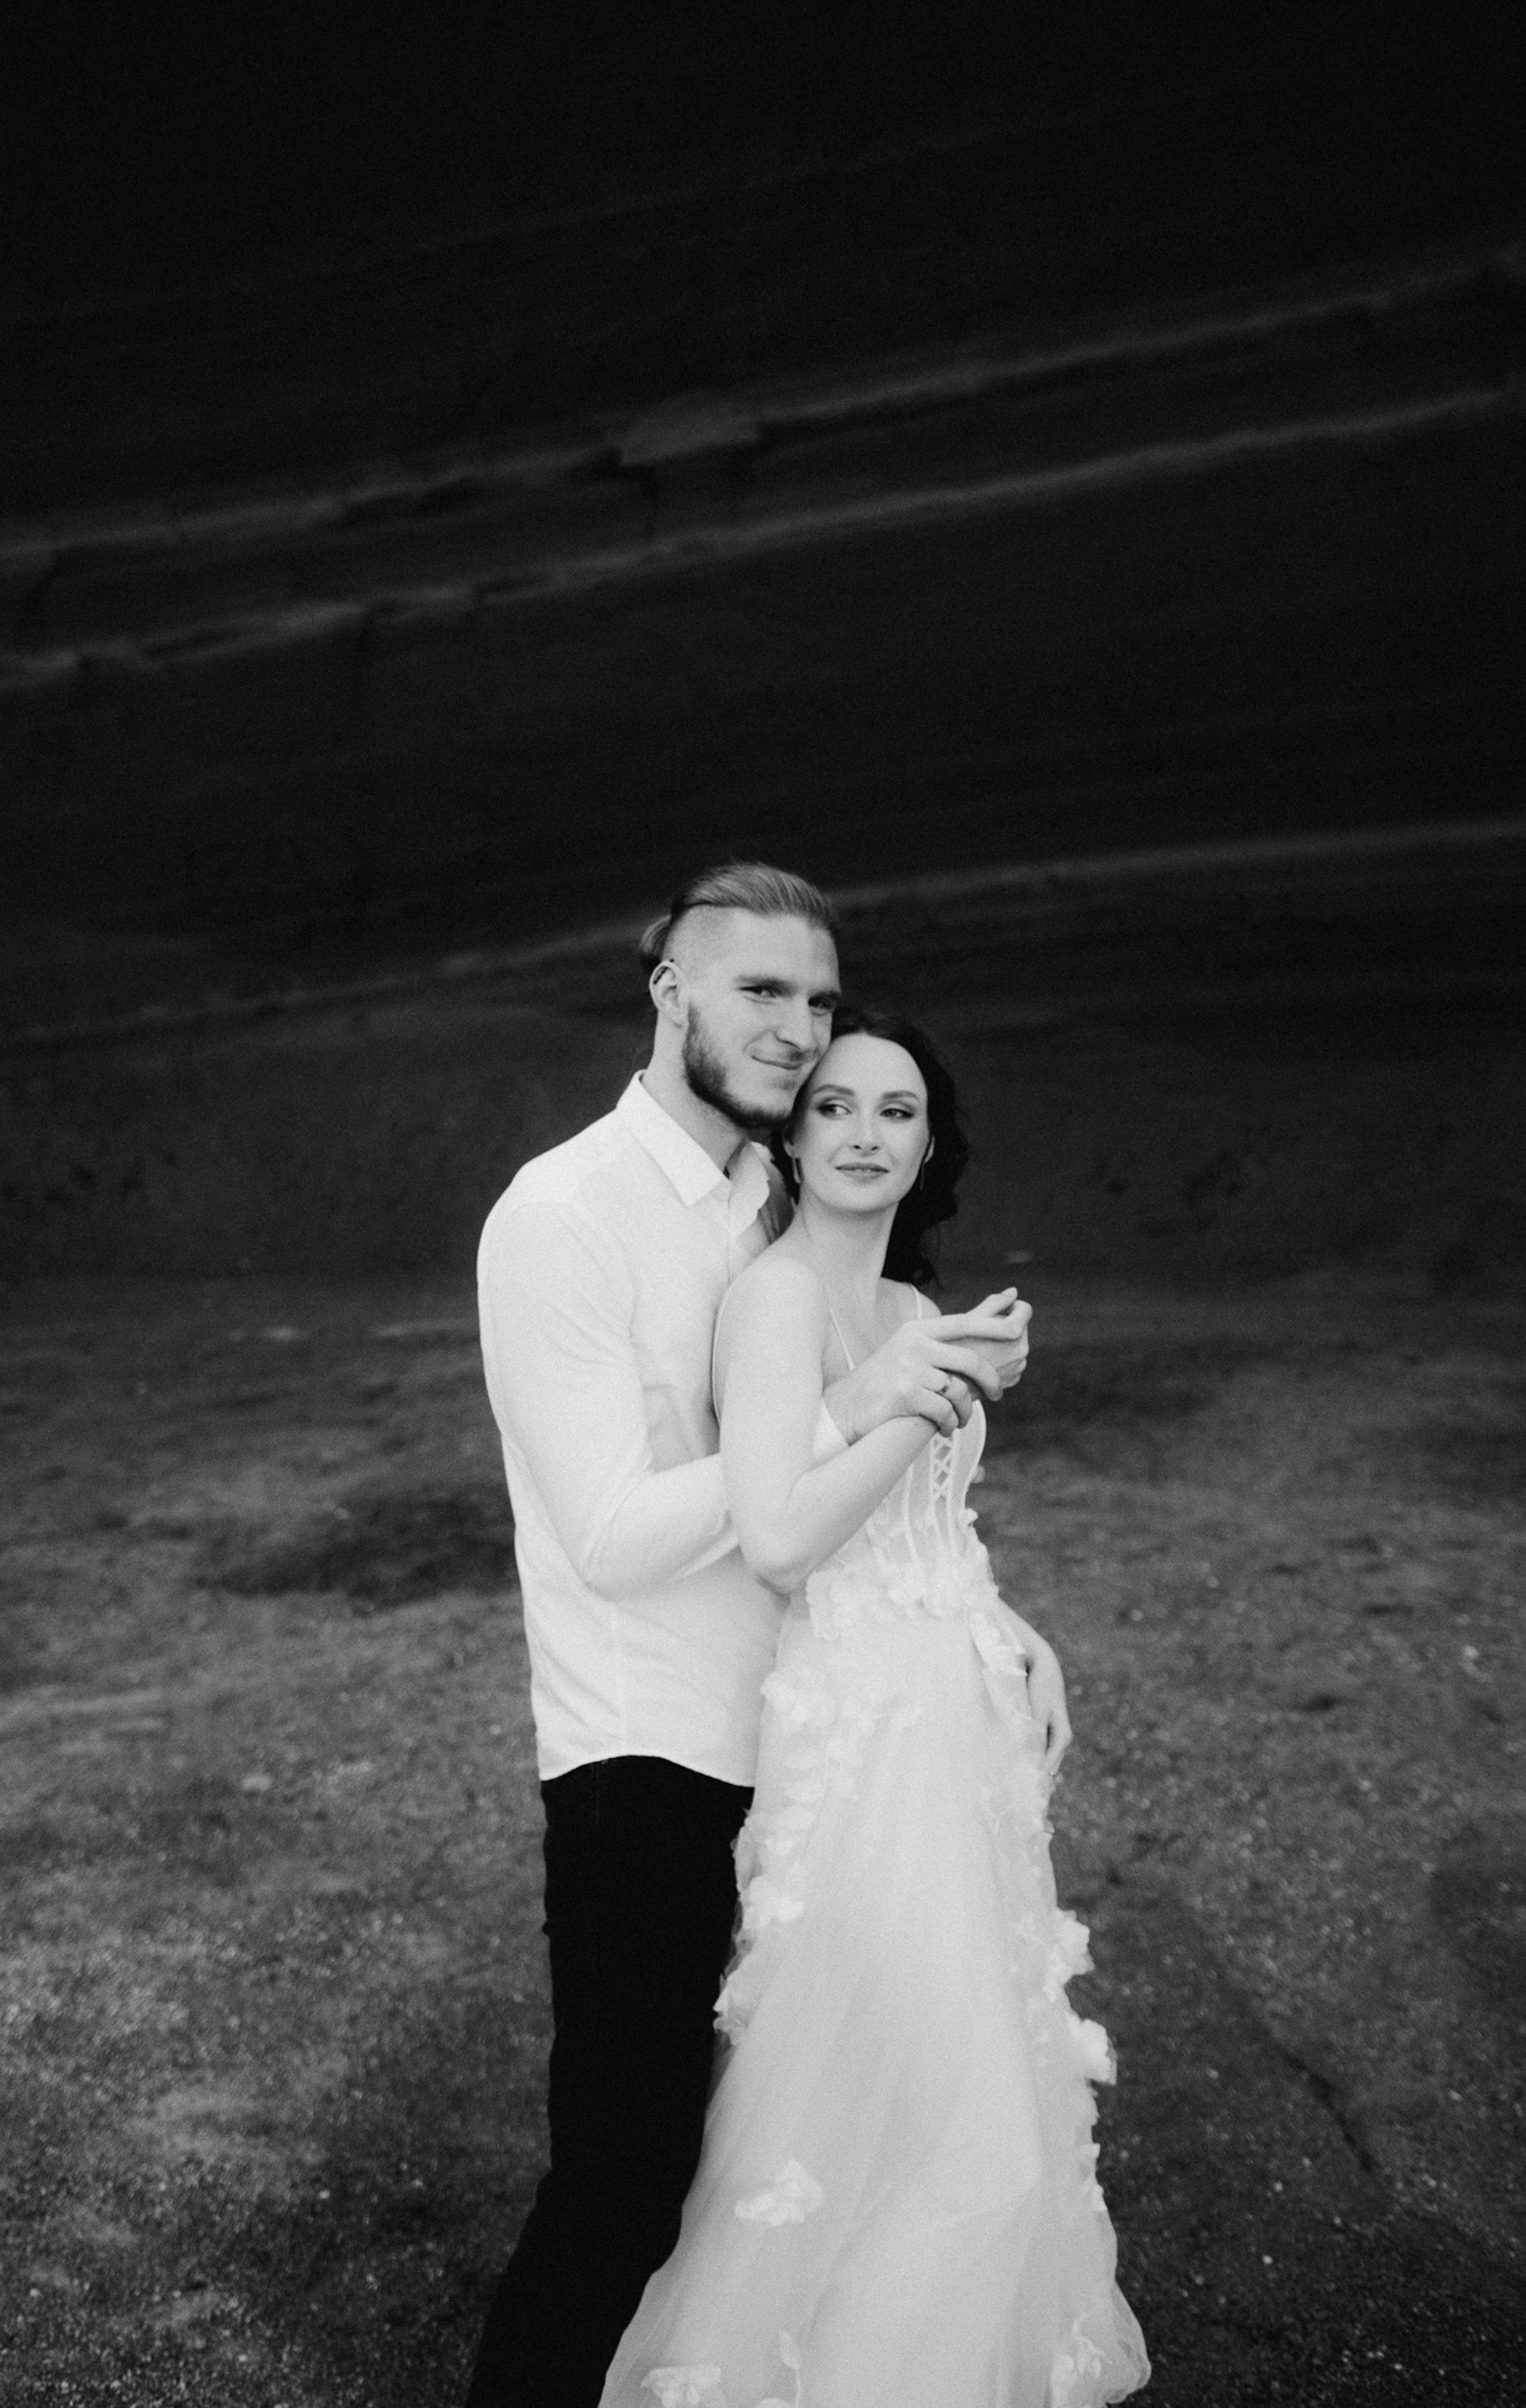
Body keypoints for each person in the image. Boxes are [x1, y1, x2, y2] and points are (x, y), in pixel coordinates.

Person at [468, 864, 1039, 2408]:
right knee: (625, 2173)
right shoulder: (561, 1214)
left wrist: (982, 1616)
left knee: (789, 2151)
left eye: (816, 998)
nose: (796, 1027)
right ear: (670, 989)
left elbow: (852, 1498)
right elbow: (606, 1534)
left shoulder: (760, 1200)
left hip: (806, 1738)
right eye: (760, 991)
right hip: (646, 1750)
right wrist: (849, 1410)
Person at [598, 1007, 1150, 2408]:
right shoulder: (775, 1300)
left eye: (894, 1111)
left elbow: (924, 1528)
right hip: (858, 1735)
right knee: (958, 2115)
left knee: (944, 2085)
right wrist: (930, 1396)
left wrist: (1012, 1629)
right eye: (832, 1106)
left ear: (927, 1145)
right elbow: (783, 1540)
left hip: (954, 1721)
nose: (861, 1133)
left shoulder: (909, 1308)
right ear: (790, 1136)